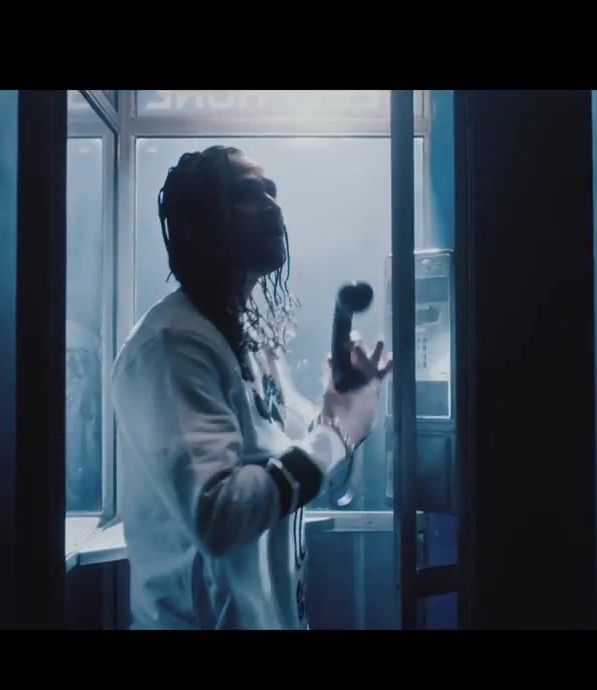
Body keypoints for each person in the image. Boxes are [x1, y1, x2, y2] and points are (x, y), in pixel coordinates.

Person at [111, 145, 392, 630]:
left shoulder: (249, 340)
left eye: (272, 191)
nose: (272, 206)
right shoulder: (173, 345)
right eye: (247, 193)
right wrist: (336, 432)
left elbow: (311, 475)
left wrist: (339, 408)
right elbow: (218, 516)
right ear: (200, 222)